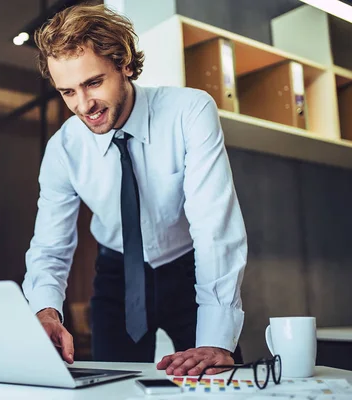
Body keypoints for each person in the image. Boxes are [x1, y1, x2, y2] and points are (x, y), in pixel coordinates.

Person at [22, 3, 247, 377]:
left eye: (93, 83)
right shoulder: (64, 148)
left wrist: (216, 338)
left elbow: (214, 226)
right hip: (116, 277)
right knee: (114, 388)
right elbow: (50, 245)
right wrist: (45, 309)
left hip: (192, 271)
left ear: (124, 63)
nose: (83, 105)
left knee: (220, 383)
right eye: (67, 92)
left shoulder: (188, 111)